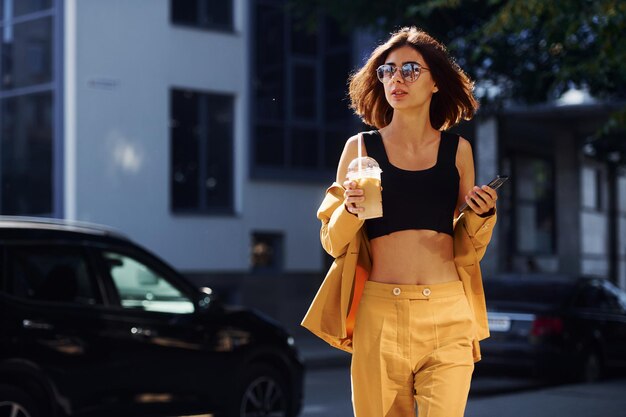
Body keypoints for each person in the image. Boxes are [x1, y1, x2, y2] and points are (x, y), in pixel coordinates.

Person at [302, 27, 498, 417]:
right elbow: (332, 241)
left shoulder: (459, 150)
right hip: (380, 314)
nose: (396, 79)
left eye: (410, 69)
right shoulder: (359, 148)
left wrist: (481, 213)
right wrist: (351, 211)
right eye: (388, 71)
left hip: (448, 312)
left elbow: (468, 246)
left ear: (436, 82)